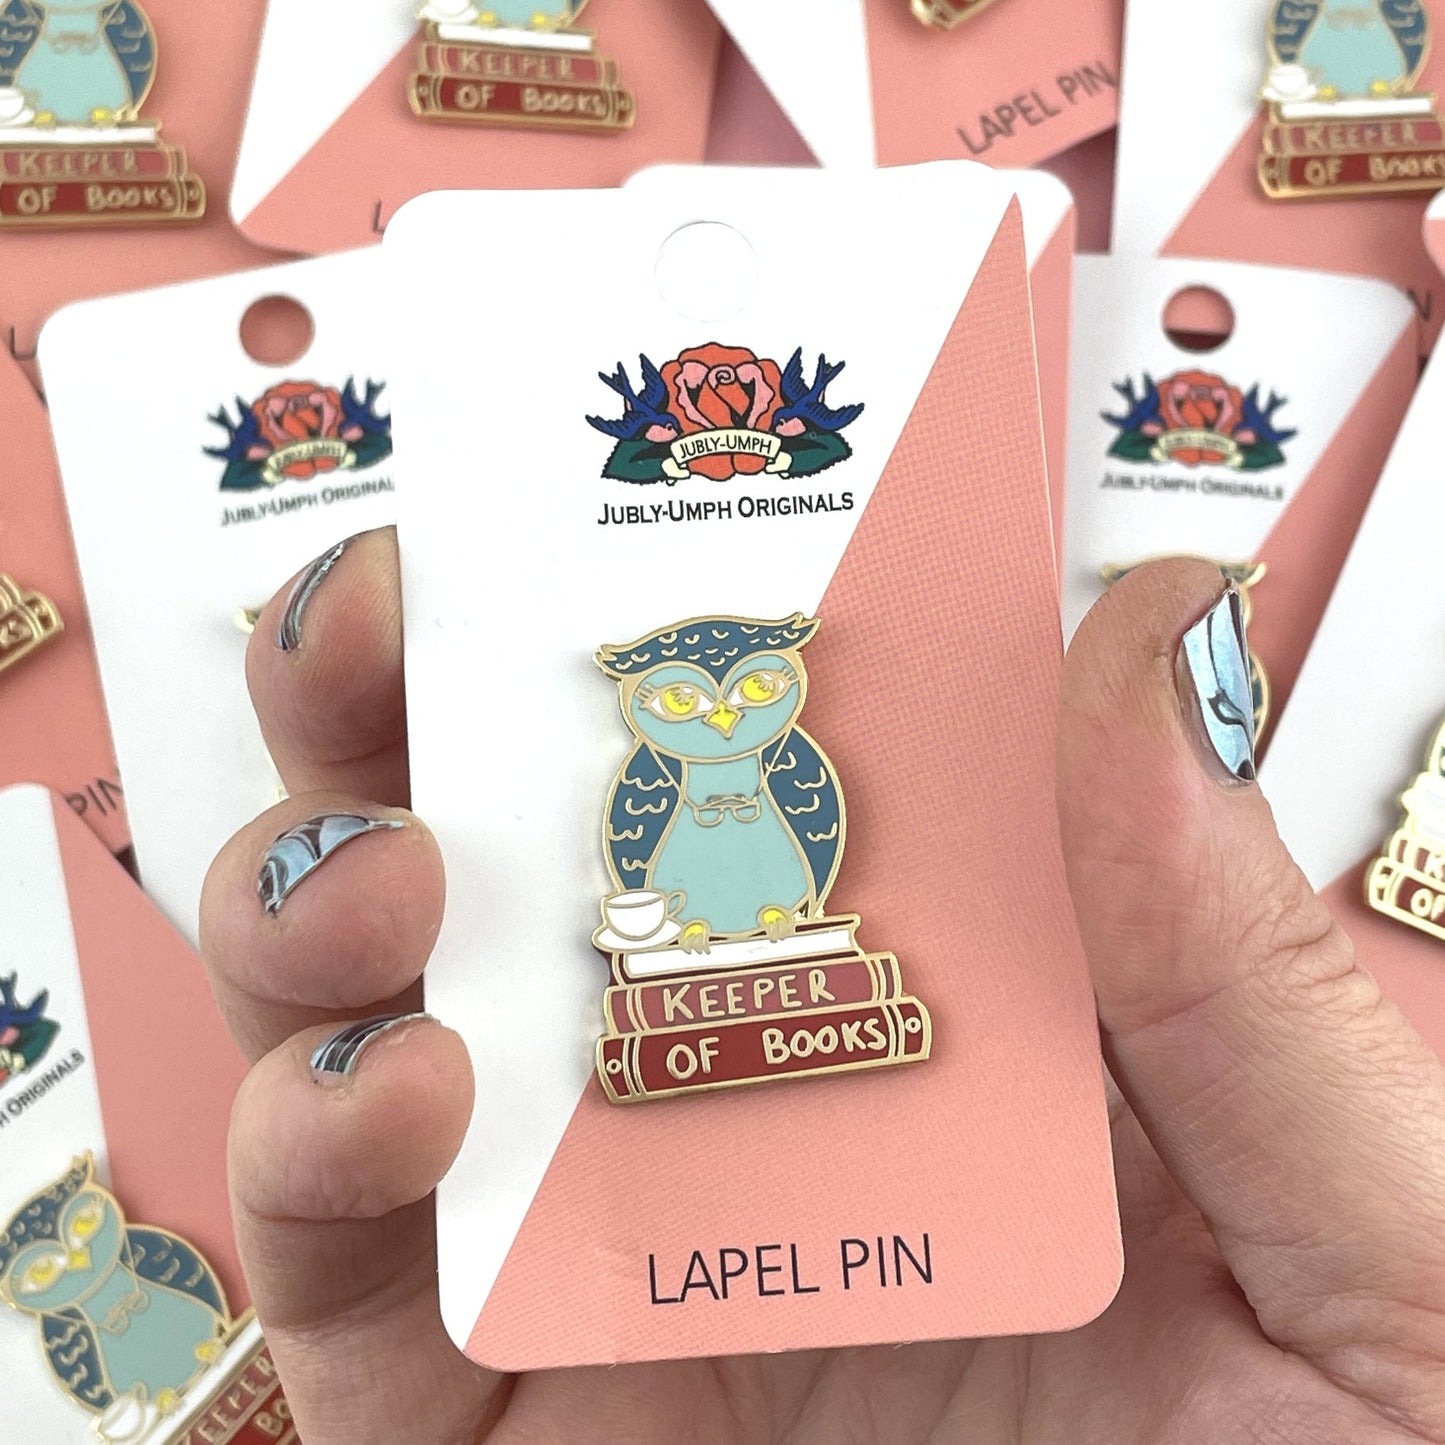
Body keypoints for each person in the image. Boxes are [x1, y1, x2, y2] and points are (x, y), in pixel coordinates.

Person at [199, 539, 1445, 1444]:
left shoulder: (798, 767)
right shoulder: (642, 784)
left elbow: (818, 834)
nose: (719, 720)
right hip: (687, 962)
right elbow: (634, 854)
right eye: (685, 703)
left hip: (815, 965)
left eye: (748, 692)